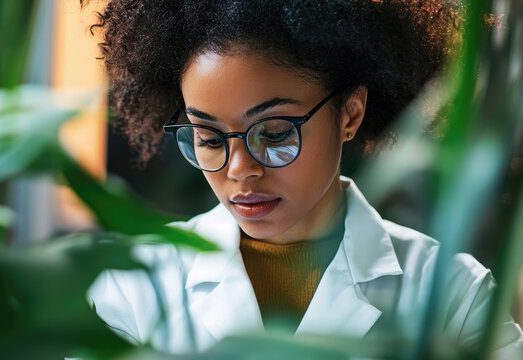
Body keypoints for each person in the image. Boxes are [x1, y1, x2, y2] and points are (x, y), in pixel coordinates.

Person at [83, 0, 523, 357]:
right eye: (210, 137)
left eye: (274, 133)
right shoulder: (133, 285)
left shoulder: (453, 297)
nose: (239, 169)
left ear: (349, 114)